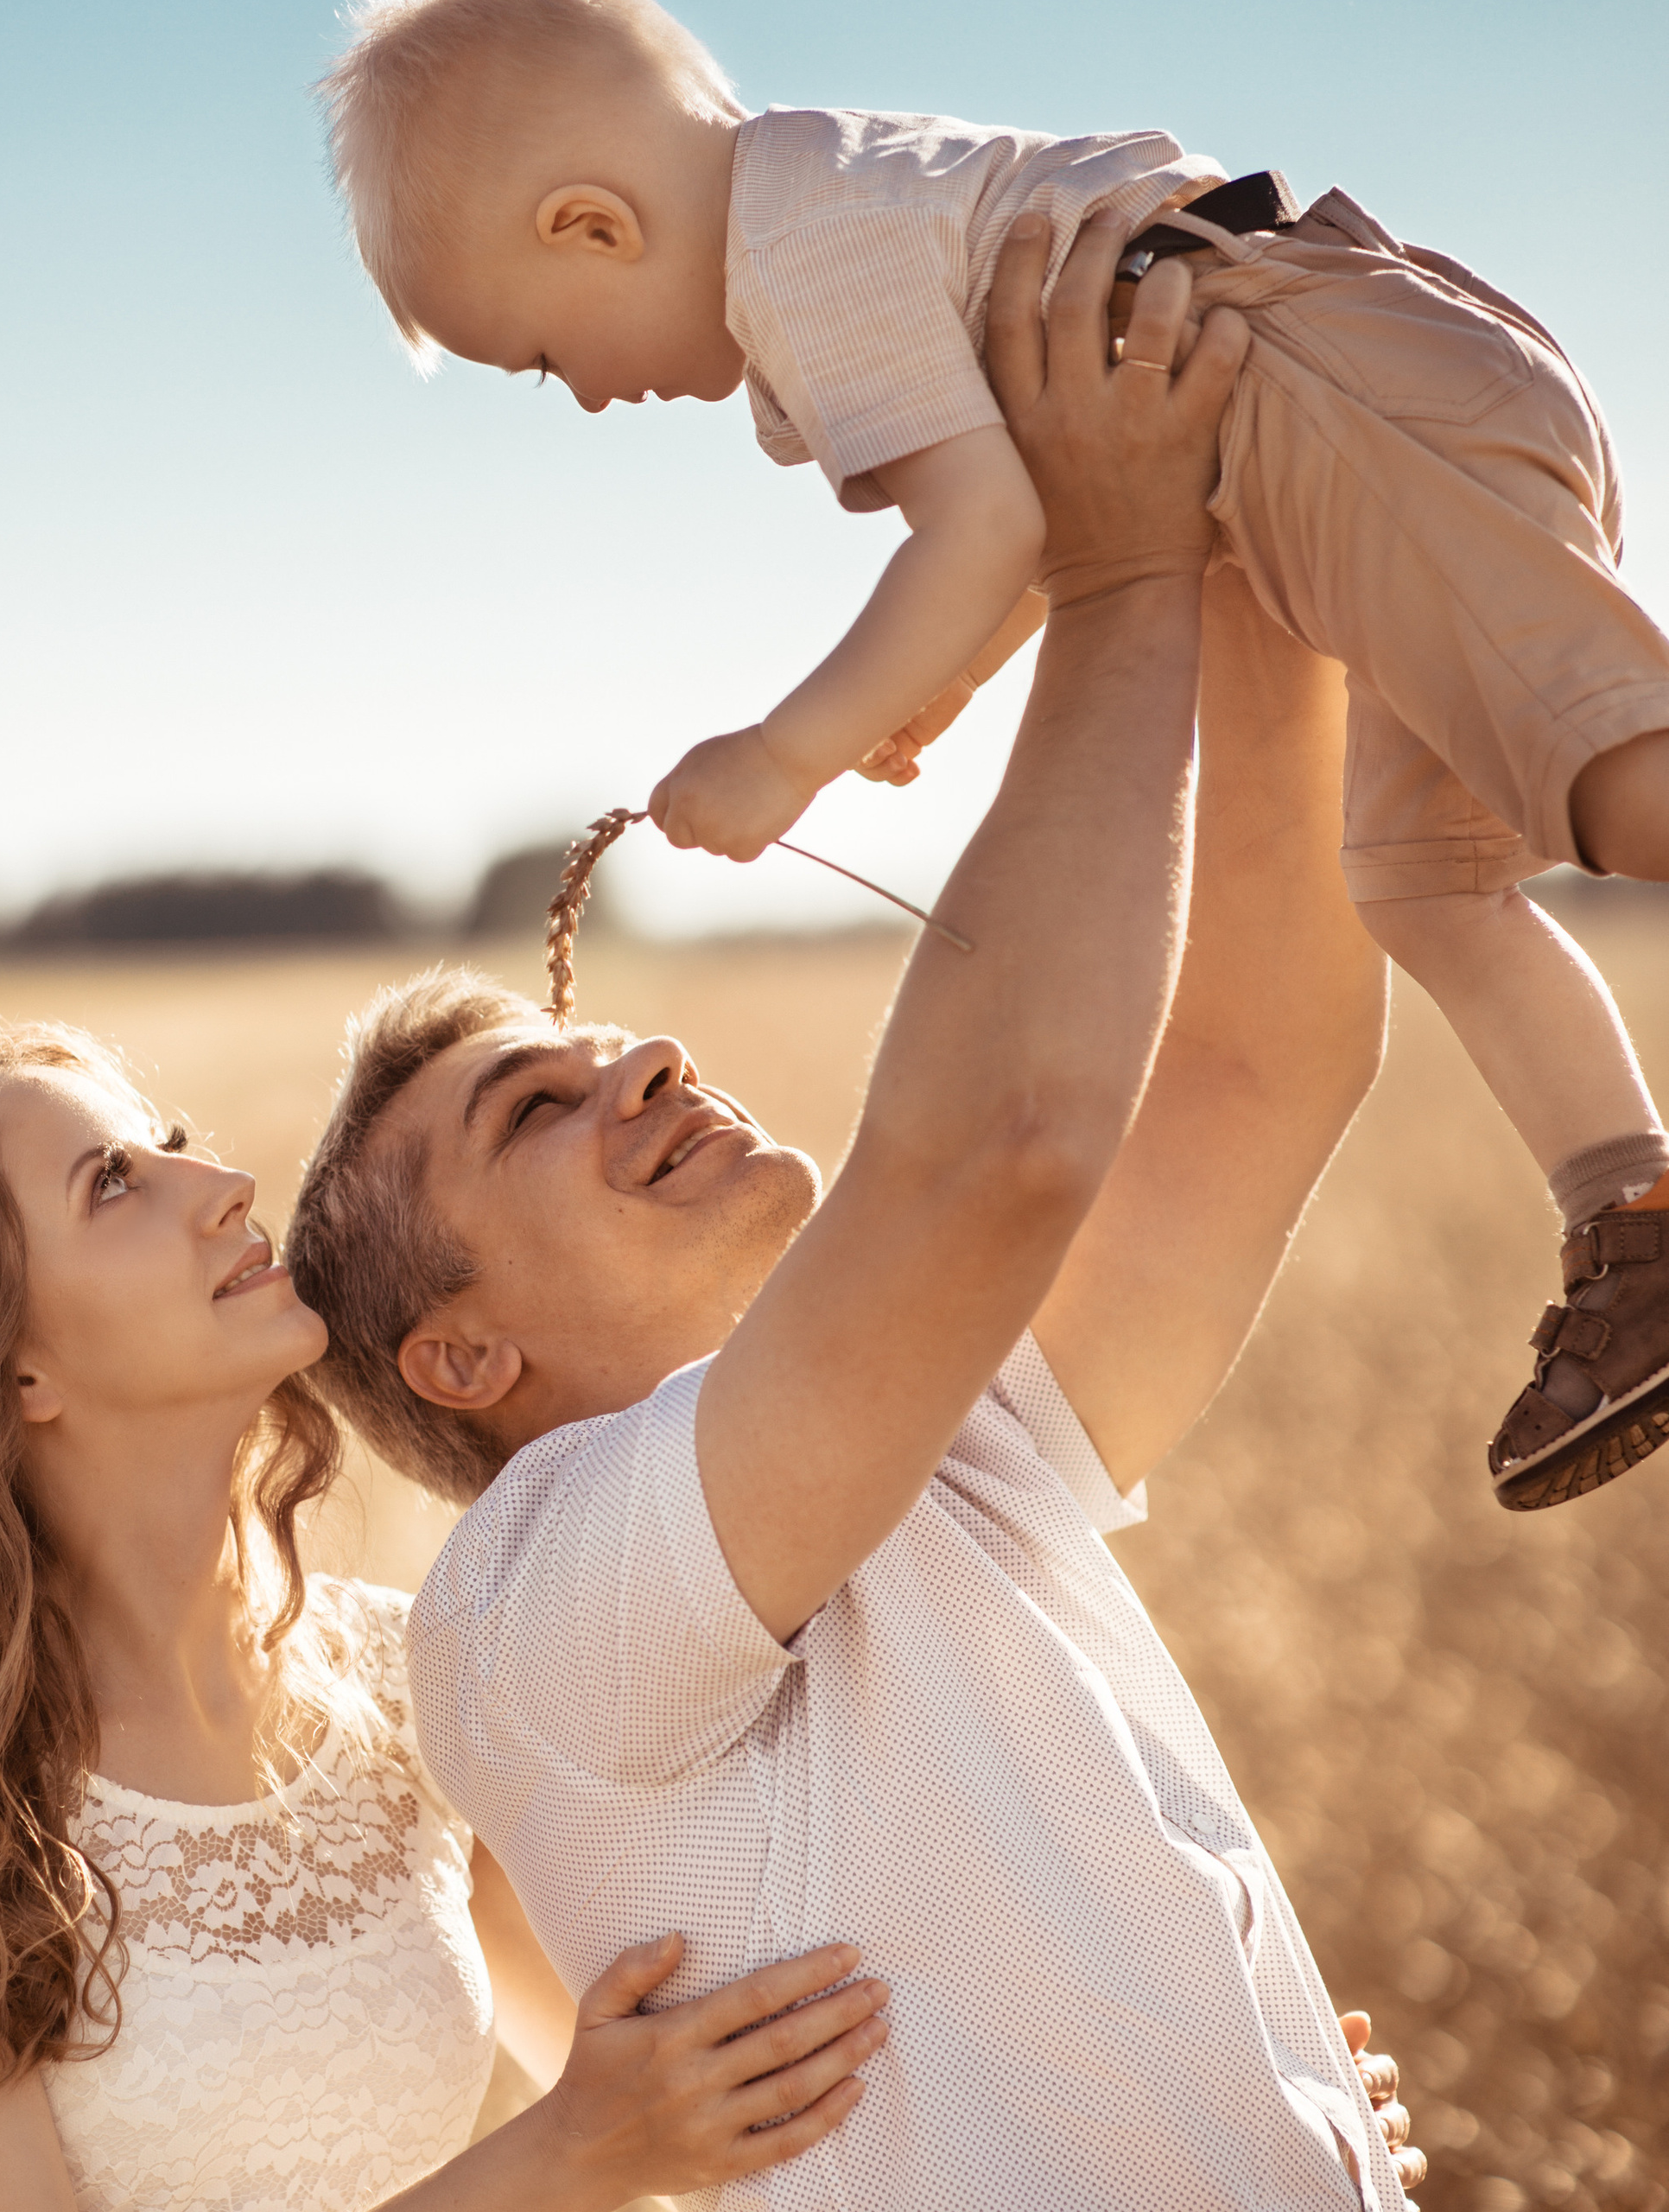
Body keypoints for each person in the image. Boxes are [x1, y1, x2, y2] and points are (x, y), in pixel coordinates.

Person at [284, 216, 1426, 2206]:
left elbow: (1260, 1065)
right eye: (535, 1107)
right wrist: (1118, 564)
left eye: (617, 1045)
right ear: (458, 1352)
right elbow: (998, 1150)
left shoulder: (939, 1436)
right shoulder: (532, 1606)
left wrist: (1247, 535)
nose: (647, 1062)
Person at [317, 0, 1669, 1510]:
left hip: (1318, 383)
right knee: (1426, 890)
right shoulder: (837, 211)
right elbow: (1050, 496)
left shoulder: (804, 259)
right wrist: (955, 671)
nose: (581, 394)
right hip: (1303, 398)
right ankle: (1633, 1211)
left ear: (592, 226)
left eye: (543, 355)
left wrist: (785, 754)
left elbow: (991, 524)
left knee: (1619, 783)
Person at [0, 1022, 892, 2212]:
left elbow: (653, 2089)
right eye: (112, 1183)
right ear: (13, 1371)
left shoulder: (399, 1680)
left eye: (167, 1142)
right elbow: (596, 2133)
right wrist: (565, 2156)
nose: (225, 1184)